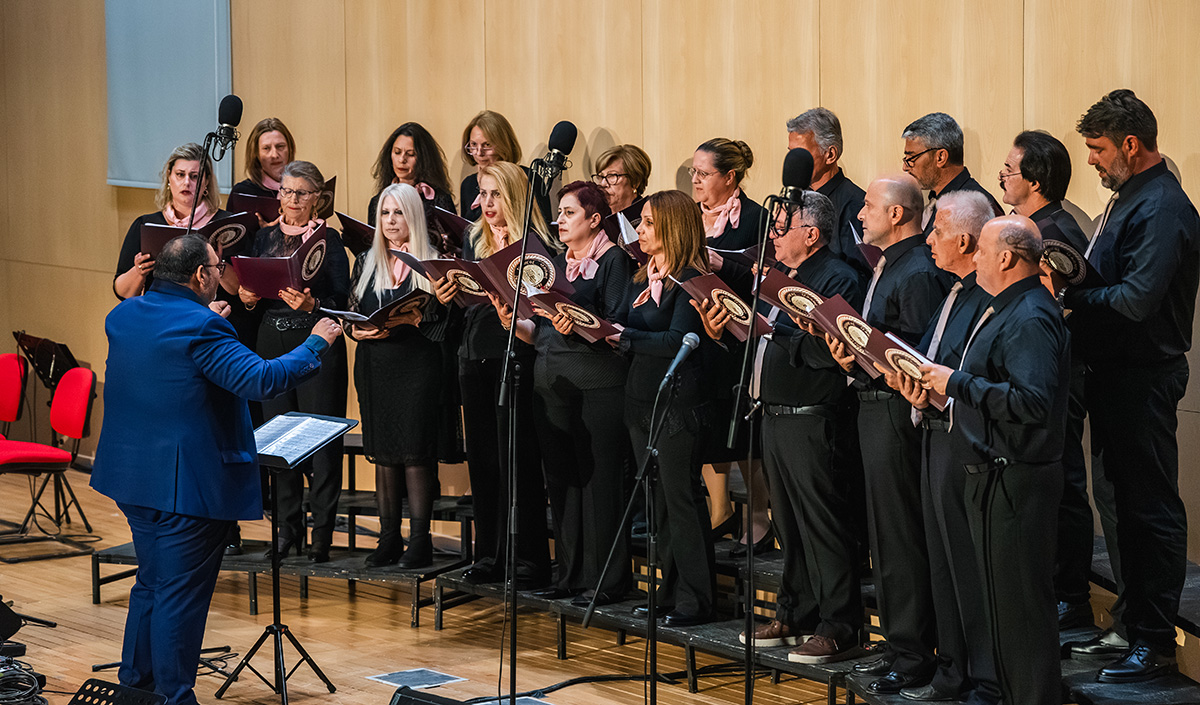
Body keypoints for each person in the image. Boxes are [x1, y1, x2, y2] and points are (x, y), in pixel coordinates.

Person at [92, 233, 341, 705]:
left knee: (151, 582)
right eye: (216, 267)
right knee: (179, 597)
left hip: (132, 477)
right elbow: (260, 380)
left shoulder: (124, 315)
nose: (221, 274)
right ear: (200, 276)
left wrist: (205, 323)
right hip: (187, 488)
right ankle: (173, 698)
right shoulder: (203, 328)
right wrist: (314, 343)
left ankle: (136, 689)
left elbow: (174, 359)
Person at [1059, 89, 1200, 682]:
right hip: (1115, 377)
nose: (1090, 160)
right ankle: (1132, 624)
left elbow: (1138, 300)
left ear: (1131, 146)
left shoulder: (1162, 205)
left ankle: (1154, 642)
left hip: (1142, 379)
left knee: (1150, 513)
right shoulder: (1129, 197)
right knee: (1122, 509)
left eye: (1097, 149)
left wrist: (1069, 297)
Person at [697, 191, 865, 663]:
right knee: (788, 523)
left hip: (813, 419)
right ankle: (796, 610)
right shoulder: (779, 281)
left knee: (824, 526)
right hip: (773, 415)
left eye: (779, 228)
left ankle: (839, 625)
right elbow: (765, 343)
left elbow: (831, 354)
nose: (770, 236)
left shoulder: (839, 279)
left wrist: (775, 334)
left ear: (810, 234)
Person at [920, 215, 1069, 705]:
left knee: (1023, 613)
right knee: (1003, 612)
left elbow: (1033, 403)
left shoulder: (1029, 314)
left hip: (1018, 481)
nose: (976, 258)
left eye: (982, 250)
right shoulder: (1006, 307)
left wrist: (956, 383)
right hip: (993, 476)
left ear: (1005, 257)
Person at [826, 173, 950, 695]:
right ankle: (900, 645)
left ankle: (916, 653)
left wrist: (867, 359)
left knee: (902, 539)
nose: (859, 214)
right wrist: (848, 355)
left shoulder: (917, 271)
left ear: (898, 214)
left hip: (898, 416)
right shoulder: (889, 265)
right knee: (886, 537)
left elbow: (920, 355)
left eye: (870, 207)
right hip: (873, 408)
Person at [880, 191, 998, 703]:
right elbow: (928, 357)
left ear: (966, 240)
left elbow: (974, 376)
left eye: (937, 232)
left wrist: (933, 389)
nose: (928, 240)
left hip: (964, 445)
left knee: (964, 568)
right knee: (942, 563)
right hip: (933, 433)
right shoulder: (953, 290)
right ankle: (950, 670)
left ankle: (976, 676)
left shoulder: (985, 299)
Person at [494, 180, 635, 605]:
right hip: (552, 383)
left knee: (601, 487)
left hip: (598, 385)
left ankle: (607, 581)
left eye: (569, 213)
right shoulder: (554, 262)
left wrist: (583, 323)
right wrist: (513, 324)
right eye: (559, 212)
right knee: (563, 485)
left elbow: (618, 326)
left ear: (594, 220)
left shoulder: (613, 261)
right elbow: (542, 330)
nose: (559, 220)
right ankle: (570, 574)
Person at [433, 161, 554, 588]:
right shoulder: (473, 237)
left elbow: (544, 308)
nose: (484, 203)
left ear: (514, 197)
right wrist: (448, 293)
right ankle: (490, 554)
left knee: (518, 460)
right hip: (475, 354)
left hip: (516, 355)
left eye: (494, 194)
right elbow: (469, 297)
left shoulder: (537, 244)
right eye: (482, 193)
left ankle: (528, 559)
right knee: (482, 460)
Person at [999, 129, 1097, 632]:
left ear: (1035, 180)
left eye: (1010, 170)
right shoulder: (1028, 226)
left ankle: (1071, 596)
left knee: (1065, 484)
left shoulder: (1053, 233)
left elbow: (1070, 304)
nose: (1001, 177)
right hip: (1039, 372)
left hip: (1060, 374)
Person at [237, 160, 350, 563]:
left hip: (318, 339)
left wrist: (314, 303)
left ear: (317, 197)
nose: (292, 200)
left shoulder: (330, 240)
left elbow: (343, 300)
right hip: (272, 338)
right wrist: (247, 299)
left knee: (321, 439)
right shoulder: (263, 237)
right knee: (278, 437)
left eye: (302, 193)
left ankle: (322, 535)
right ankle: (286, 530)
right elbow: (250, 290)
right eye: (286, 191)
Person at [613, 189, 715, 626]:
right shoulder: (643, 276)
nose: (640, 228)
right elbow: (620, 321)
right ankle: (669, 590)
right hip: (640, 400)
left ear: (672, 226)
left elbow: (678, 342)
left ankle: (697, 599)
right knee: (658, 504)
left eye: (649, 222)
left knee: (681, 499)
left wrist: (626, 339)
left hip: (677, 405)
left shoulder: (690, 279)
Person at [349, 183, 449, 569]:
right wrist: (355, 331)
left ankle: (419, 541)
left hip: (417, 365)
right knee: (384, 454)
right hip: (375, 365)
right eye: (385, 214)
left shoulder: (433, 261)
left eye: (399, 213)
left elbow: (442, 323)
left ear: (414, 217)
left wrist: (416, 316)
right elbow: (352, 313)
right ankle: (389, 538)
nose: (391, 222)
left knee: (415, 453)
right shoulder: (366, 260)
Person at [689, 137, 771, 551]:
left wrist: (723, 263)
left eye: (704, 174)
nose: (696, 181)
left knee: (742, 430)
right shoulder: (688, 215)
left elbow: (765, 277)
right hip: (697, 329)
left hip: (739, 334)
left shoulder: (756, 217)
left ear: (730, 177)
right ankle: (718, 510)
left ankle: (758, 518)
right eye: (693, 172)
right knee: (710, 425)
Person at [114, 143, 226, 300]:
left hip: (211, 314)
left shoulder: (225, 224)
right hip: (161, 316)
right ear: (169, 177)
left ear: (206, 181)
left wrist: (218, 265)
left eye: (195, 176)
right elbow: (121, 293)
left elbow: (237, 291)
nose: (186, 182)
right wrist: (139, 272)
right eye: (180, 174)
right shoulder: (146, 225)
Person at [786, 108, 869, 275]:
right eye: (790, 153)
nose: (793, 162)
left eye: (801, 154)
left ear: (830, 155)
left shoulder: (855, 205)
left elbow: (856, 273)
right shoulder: (793, 198)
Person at [900, 112, 1002, 236]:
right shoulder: (933, 200)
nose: (905, 167)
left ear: (941, 157)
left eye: (911, 158)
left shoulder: (978, 207)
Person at [457, 110, 552, 225]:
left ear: (504, 144)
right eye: (473, 145)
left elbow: (544, 231)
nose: (479, 153)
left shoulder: (528, 179)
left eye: (487, 145)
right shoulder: (468, 184)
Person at [367, 122, 455, 225]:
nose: (402, 159)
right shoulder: (377, 202)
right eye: (397, 152)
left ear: (424, 159)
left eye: (410, 154)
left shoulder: (439, 201)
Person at [231, 117, 294, 198]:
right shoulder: (243, 193)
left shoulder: (306, 190)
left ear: (290, 149)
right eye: (266, 148)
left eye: (280, 146)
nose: (274, 155)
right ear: (256, 153)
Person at [593, 144, 652, 224]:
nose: (603, 184)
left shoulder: (649, 218)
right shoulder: (596, 216)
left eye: (612, 176)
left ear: (635, 182)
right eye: (601, 176)